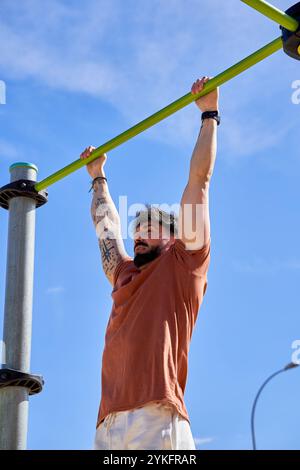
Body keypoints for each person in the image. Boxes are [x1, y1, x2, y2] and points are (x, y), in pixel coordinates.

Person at [80, 76, 219, 450]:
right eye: (136, 227)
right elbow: (106, 229)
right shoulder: (125, 275)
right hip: (108, 425)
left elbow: (198, 181)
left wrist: (209, 115)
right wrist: (98, 178)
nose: (138, 233)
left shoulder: (183, 266)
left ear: (173, 238)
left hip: (157, 419)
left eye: (150, 227)